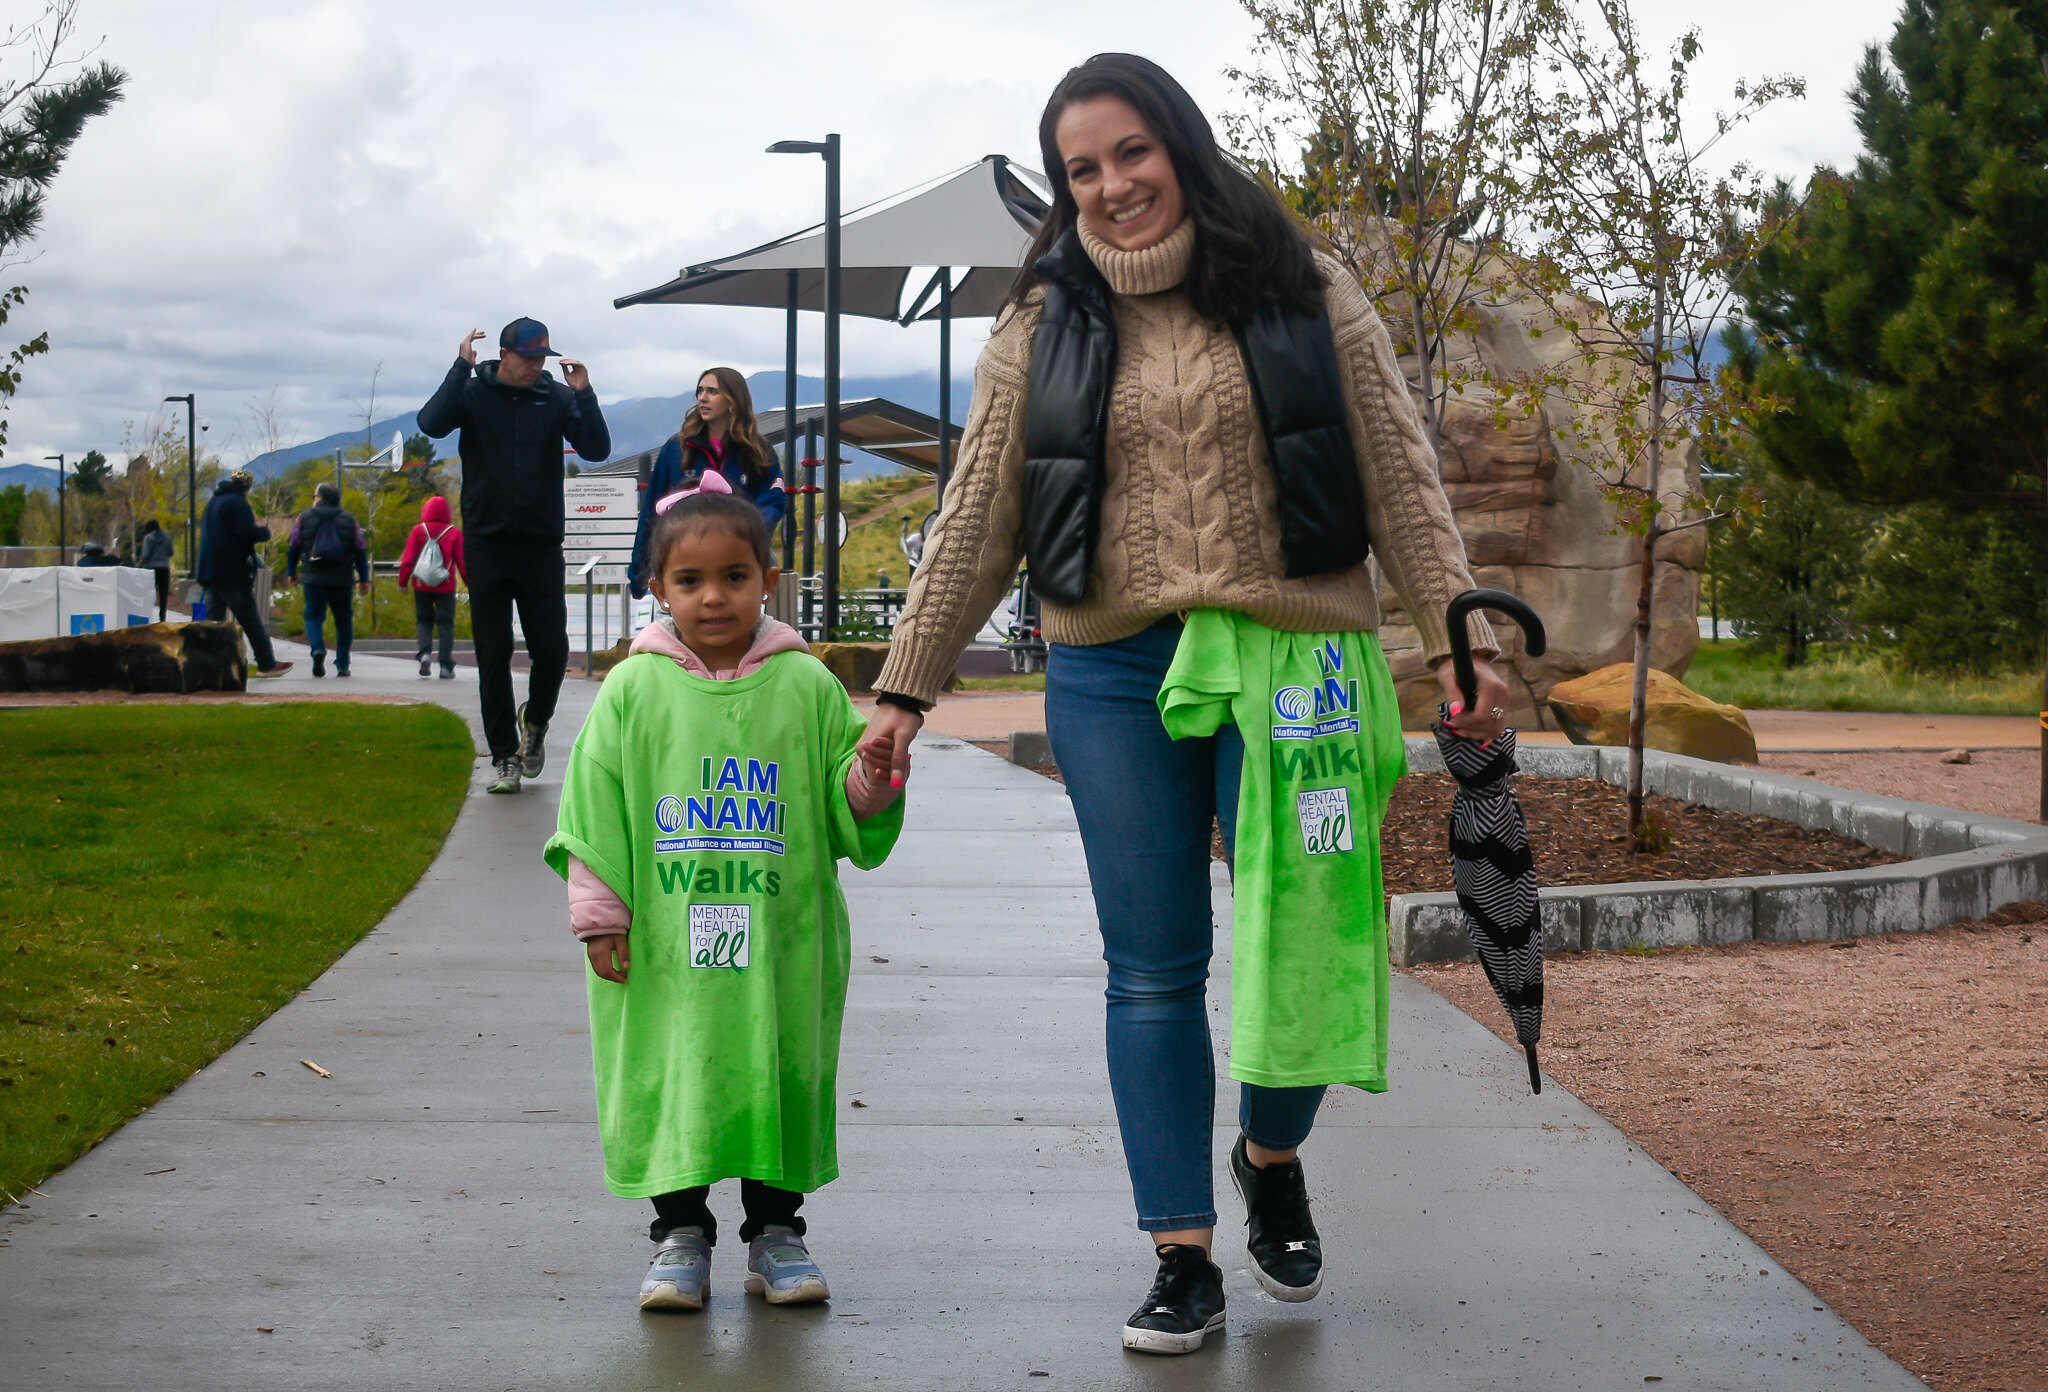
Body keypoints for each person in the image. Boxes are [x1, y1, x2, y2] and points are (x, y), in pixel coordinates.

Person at [855, 53, 1510, 1355]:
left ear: (1182, 146)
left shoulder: (1303, 283)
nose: (1110, 185)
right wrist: (903, 691)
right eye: (1081, 169)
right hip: (1113, 672)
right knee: (1152, 965)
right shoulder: (1043, 319)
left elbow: (1396, 469)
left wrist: (1459, 640)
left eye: (1130, 154)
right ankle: (1181, 1256)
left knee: (1311, 935)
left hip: (1298, 664)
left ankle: (1270, 1155)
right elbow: (979, 509)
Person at [543, 472, 905, 1314]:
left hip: (781, 935)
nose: (714, 597)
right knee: (676, 1072)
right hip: (668, 940)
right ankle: (679, 1234)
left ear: (767, 581)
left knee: (776, 1067)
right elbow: (592, 809)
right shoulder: (633, 690)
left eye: (735, 577)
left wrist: (873, 780)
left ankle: (777, 1232)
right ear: (657, 588)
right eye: (690, 581)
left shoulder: (806, 687)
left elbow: (844, 806)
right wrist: (601, 916)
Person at [418, 317, 610, 793]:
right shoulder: (473, 392)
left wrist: (584, 393)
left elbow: (598, 449)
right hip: (487, 542)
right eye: (527, 358)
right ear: (503, 354)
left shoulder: (556, 396)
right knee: (493, 651)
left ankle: (537, 721)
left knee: (551, 649)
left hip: (541, 542)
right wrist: (459, 368)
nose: (534, 367)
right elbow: (430, 423)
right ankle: (503, 756)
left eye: (541, 358)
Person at [627, 367, 786, 600]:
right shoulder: (676, 449)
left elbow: (773, 499)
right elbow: (652, 509)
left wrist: (743, 534)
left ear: (733, 401)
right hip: (683, 557)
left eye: (712, 391)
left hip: (739, 556)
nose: (703, 397)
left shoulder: (758, 451)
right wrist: (638, 575)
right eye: (700, 391)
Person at [196, 469, 292, 678]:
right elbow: (244, 533)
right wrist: (264, 533)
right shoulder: (238, 503)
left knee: (214, 621)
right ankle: (266, 662)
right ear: (247, 486)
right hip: (231, 571)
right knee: (249, 617)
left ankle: (208, 666)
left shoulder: (214, 502)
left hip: (210, 570)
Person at [285, 482, 371, 678]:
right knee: (343, 621)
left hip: (314, 577)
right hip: (342, 579)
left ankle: (317, 649)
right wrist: (364, 579)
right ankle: (342, 663)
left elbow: (294, 545)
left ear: (320, 497)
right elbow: (360, 550)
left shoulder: (304, 517)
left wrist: (291, 571)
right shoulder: (350, 520)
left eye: (315, 496)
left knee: (313, 616)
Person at [397, 493, 467, 679]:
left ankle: (425, 653)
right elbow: (462, 562)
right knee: (446, 623)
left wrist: (403, 581)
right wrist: (470, 584)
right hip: (446, 585)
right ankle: (445, 665)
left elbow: (408, 559)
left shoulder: (419, 531)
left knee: (423, 620)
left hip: (422, 584)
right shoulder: (454, 532)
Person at [136, 519, 175, 620]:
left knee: (149, 593)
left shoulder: (148, 538)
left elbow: (146, 555)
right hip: (164, 568)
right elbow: (171, 552)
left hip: (152, 570)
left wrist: (140, 565)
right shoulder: (166, 537)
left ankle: (148, 615)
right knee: (163, 594)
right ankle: (162, 617)